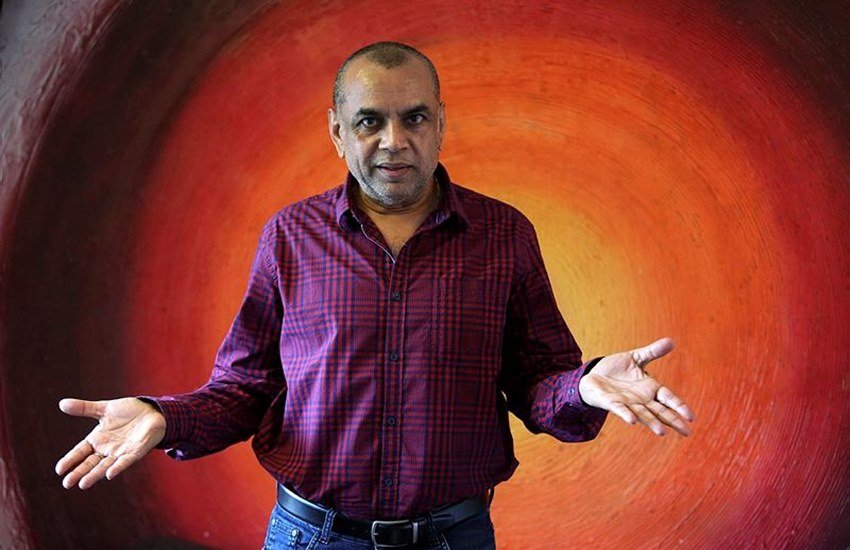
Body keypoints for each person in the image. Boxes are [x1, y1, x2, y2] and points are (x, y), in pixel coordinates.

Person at [55, 42, 695, 549]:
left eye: (414, 117)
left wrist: (582, 386)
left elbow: (537, 383)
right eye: (370, 121)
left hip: (455, 537)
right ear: (338, 132)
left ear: (440, 124)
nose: (394, 140)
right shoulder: (290, 237)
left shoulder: (505, 235)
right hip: (310, 537)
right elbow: (245, 388)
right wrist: (166, 415)